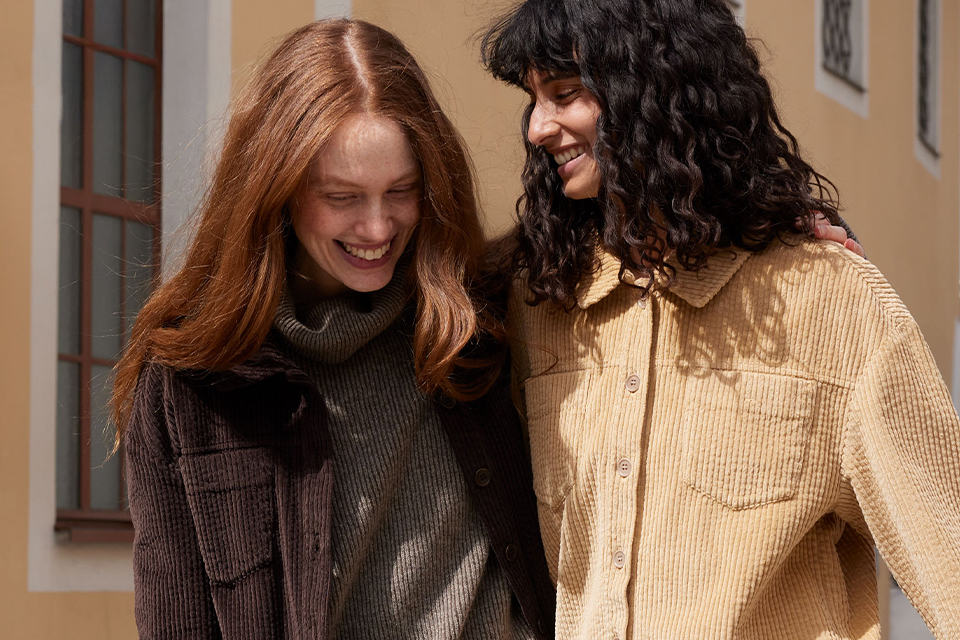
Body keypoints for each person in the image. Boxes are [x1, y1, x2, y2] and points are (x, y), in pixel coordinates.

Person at [481, 0, 960, 638]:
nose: (538, 128)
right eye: (533, 100)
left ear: (652, 91)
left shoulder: (832, 301)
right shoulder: (541, 302)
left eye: (565, 94)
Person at [111, 19, 555, 639]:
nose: (377, 229)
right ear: (278, 190)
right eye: (342, 197)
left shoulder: (479, 325)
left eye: (401, 191)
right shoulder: (188, 380)